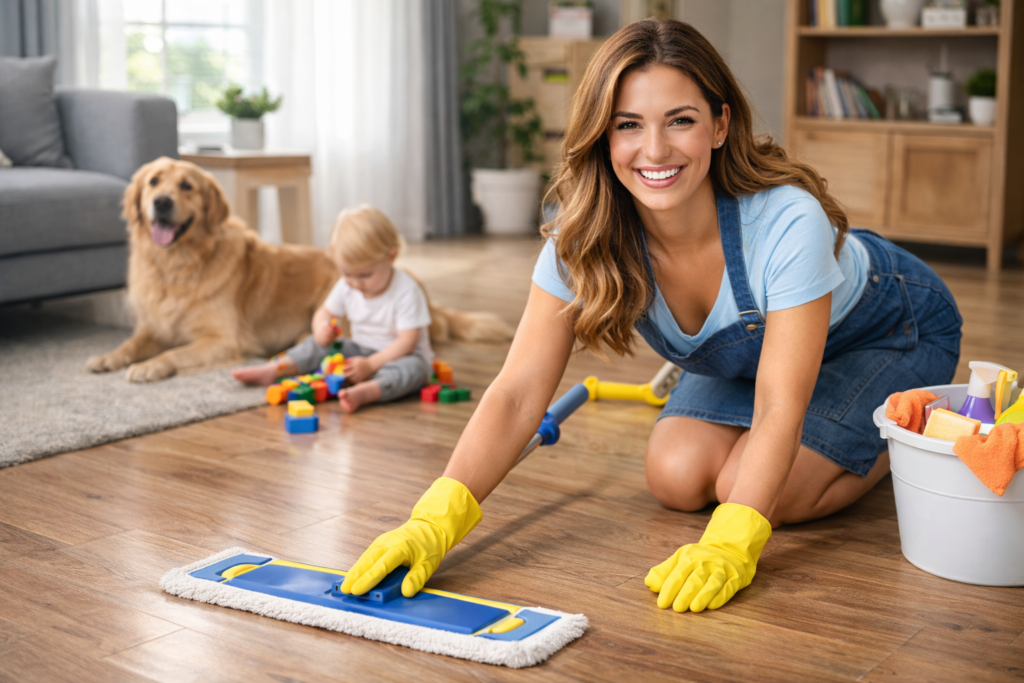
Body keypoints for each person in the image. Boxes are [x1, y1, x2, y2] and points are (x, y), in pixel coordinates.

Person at [337, 19, 962, 612]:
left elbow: (779, 405)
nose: (654, 149)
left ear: (719, 125)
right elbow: (518, 393)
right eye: (628, 124)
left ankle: (897, 437)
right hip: (756, 360)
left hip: (887, 329)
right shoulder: (584, 238)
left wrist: (732, 541)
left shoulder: (787, 221)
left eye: (680, 120)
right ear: (602, 135)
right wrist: (433, 522)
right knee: (676, 475)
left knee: (755, 492)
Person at [233, 205, 433, 413]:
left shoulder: (407, 291)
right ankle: (274, 369)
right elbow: (325, 312)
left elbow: (407, 342)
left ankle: (368, 392)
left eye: (365, 275)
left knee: (414, 370)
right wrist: (321, 328)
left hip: (402, 356)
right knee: (317, 343)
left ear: (391, 257)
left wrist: (370, 365)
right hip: (360, 349)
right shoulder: (347, 285)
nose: (355, 283)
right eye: (347, 274)